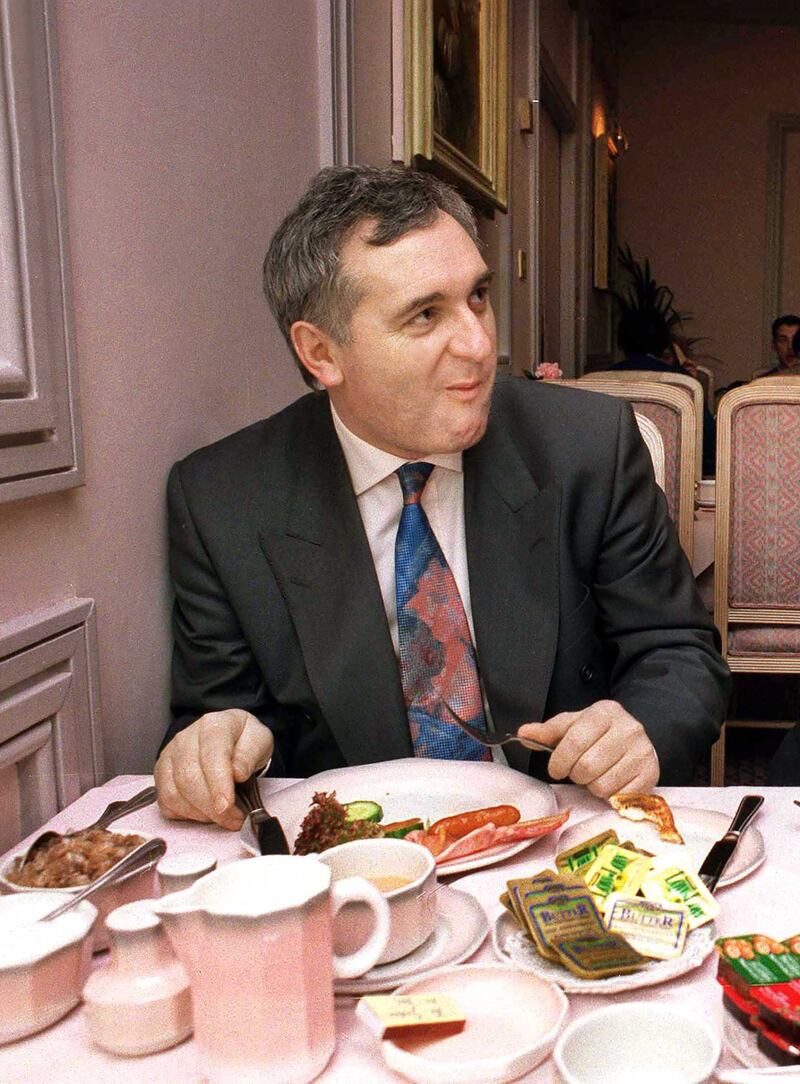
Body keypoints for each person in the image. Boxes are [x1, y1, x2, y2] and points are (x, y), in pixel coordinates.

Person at [155, 165, 729, 830]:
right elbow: (220, 721)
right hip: (355, 859)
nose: (481, 346)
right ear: (321, 353)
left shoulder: (586, 445)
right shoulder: (223, 500)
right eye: (425, 315)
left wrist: (639, 728)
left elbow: (678, 653)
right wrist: (215, 749)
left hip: (561, 838)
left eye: (478, 297)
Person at [612, 309, 716, 476]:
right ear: (664, 343)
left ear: (621, 342)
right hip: (676, 478)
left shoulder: (597, 379)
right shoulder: (683, 383)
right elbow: (709, 443)